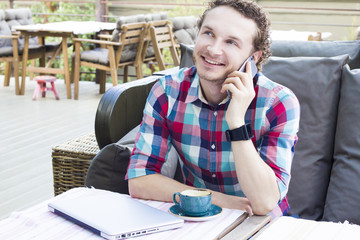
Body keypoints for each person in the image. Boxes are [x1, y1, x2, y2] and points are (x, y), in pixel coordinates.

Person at [126, 0, 300, 217]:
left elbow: (264, 203)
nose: (213, 49)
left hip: (261, 223)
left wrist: (236, 121)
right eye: (208, 33)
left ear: (252, 58)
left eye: (231, 42)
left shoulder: (279, 103)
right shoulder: (167, 91)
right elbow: (139, 180)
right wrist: (219, 200)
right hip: (196, 215)